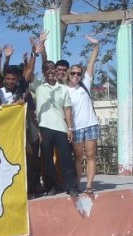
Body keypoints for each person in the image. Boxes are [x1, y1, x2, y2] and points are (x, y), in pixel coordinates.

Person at [35, 60, 80, 197]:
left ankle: (71, 186)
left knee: (66, 157)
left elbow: (67, 109)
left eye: (52, 69)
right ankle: (51, 186)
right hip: (44, 128)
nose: (49, 71)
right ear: (43, 72)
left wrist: (70, 128)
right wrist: (35, 53)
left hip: (61, 127)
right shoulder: (39, 88)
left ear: (56, 71)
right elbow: (28, 74)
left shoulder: (63, 89)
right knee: (47, 159)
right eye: (46, 69)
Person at [67, 36, 101, 194]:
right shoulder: (65, 90)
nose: (75, 76)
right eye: (73, 73)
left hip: (91, 125)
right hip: (76, 128)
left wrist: (96, 46)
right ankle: (77, 185)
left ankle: (89, 185)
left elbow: (91, 63)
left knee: (91, 155)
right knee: (78, 158)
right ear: (69, 74)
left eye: (78, 73)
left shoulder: (85, 84)